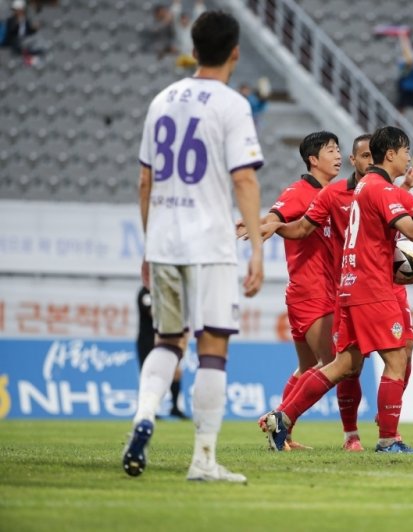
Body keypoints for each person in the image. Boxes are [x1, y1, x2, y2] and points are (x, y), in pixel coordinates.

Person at [259, 126, 413, 453]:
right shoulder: (378, 191)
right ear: (390, 154)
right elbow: (412, 230)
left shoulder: (362, 190)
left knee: (344, 364)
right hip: (372, 286)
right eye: (405, 151)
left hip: (347, 287)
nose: (408, 158)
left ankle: (283, 416)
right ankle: (388, 439)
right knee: (396, 358)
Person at [124, 10, 264, 483]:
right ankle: (203, 459)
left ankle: (145, 414)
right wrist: (259, 247)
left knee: (167, 340)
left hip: (163, 240)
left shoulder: (162, 99)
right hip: (210, 244)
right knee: (212, 348)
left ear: (194, 47)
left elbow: (145, 180)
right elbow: (244, 178)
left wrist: (149, 243)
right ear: (235, 52)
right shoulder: (231, 104)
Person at [254, 131, 342, 451]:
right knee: (334, 363)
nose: (337, 155)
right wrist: (256, 229)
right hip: (311, 291)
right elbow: (274, 219)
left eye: (338, 149)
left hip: (316, 290)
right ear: (313, 160)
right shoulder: (298, 192)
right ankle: (281, 419)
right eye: (330, 150)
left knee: (308, 367)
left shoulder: (330, 194)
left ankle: (283, 433)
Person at [136, 286, 186, 419]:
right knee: (148, 374)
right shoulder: (145, 294)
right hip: (147, 340)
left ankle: (175, 407)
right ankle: (148, 409)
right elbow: (153, 313)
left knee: (176, 372)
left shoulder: (163, 290)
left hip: (167, 338)